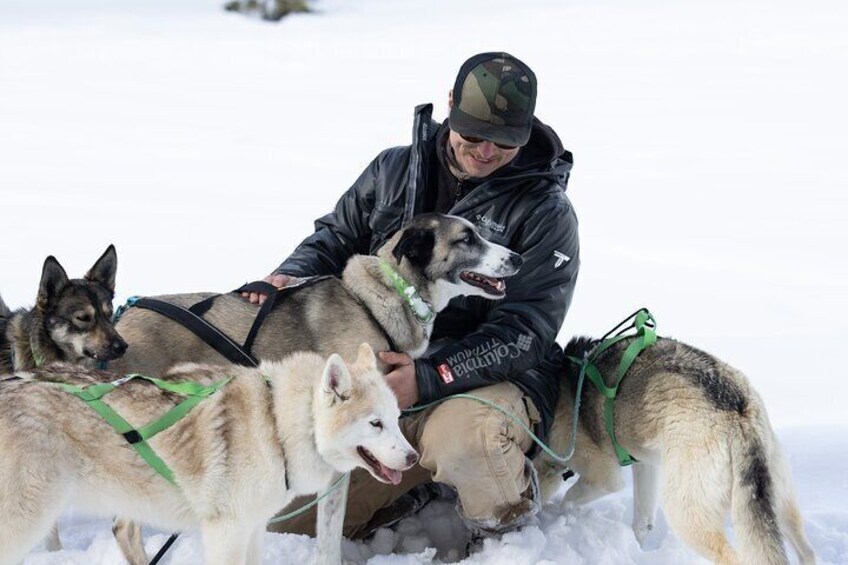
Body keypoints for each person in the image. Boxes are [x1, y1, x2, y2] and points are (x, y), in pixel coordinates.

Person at [249, 52, 579, 544]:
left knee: (469, 441)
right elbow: (337, 236)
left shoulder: (546, 212)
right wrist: (288, 276)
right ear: (450, 108)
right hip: (381, 373)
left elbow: (525, 330)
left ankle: (508, 510)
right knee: (285, 516)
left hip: (486, 375)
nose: (485, 153)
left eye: (504, 143)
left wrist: (429, 376)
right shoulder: (394, 169)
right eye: (472, 137)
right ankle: (413, 489)